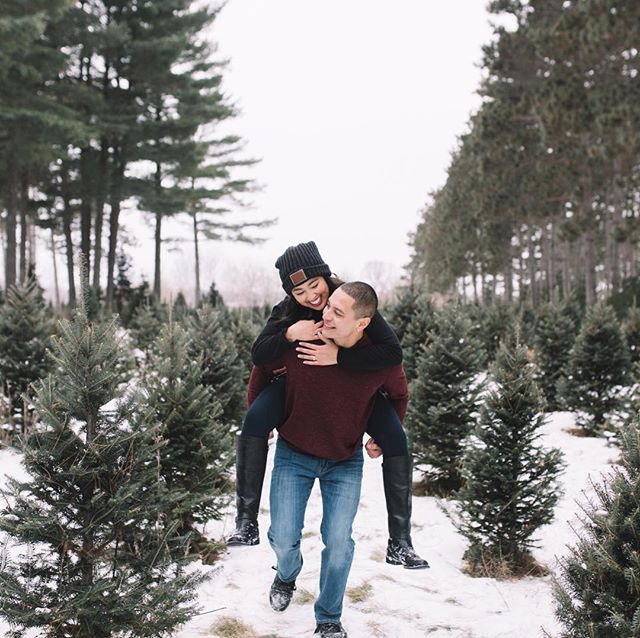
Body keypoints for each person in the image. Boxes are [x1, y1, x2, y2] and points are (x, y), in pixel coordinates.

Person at [227, 241, 428, 570]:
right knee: (255, 420)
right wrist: (290, 334)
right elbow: (259, 357)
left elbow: (392, 353)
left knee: (396, 439)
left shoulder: (349, 298)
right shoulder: (288, 311)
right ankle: (246, 522)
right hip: (295, 386)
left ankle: (400, 542)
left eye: (314, 285)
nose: (311, 297)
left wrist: (339, 357)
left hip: (355, 390)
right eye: (300, 291)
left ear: (326, 275)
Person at [251, 281, 409, 638]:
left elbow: (399, 395)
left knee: (339, 541)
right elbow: (260, 367)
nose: (325, 314)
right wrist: (260, 419)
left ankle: (328, 616)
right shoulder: (305, 337)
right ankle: (287, 573)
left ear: (362, 324)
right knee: (282, 536)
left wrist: (384, 435)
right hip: (294, 453)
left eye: (338, 312)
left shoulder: (378, 360)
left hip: (344, 459)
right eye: (329, 307)